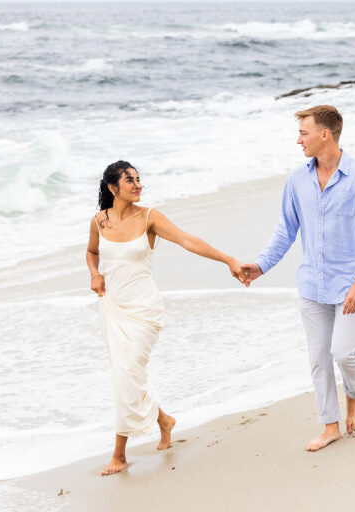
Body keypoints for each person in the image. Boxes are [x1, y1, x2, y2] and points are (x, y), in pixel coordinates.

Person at [240, 105, 355, 452]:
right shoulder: (297, 180)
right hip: (312, 285)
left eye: (303, 133)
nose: (298, 140)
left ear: (325, 135)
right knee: (319, 358)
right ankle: (329, 425)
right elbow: (286, 229)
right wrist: (261, 265)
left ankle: (354, 395)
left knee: (344, 353)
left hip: (351, 285)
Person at [86, 160, 244, 475]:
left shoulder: (150, 218)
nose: (137, 184)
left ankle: (118, 454)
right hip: (114, 307)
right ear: (112, 187)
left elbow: (188, 240)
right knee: (128, 374)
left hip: (144, 309)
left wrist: (228, 259)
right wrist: (94, 274)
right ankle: (164, 420)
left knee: (129, 371)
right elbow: (92, 252)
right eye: (129, 180)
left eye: (138, 179)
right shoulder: (99, 221)